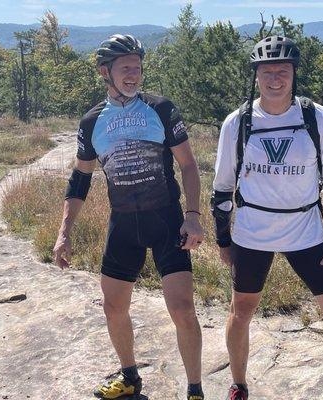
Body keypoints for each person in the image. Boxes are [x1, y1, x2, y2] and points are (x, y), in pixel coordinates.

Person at [211, 36, 323, 400]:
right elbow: (222, 189)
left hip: (307, 232)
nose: (275, 78)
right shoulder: (237, 122)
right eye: (267, 71)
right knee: (241, 311)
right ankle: (238, 384)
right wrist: (223, 241)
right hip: (252, 235)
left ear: (294, 74)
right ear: (255, 76)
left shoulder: (316, 117)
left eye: (283, 71)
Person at [53, 34, 205, 400]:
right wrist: (64, 232)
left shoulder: (161, 108)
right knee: (113, 307)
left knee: (182, 308)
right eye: (126, 68)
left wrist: (193, 216)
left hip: (167, 221)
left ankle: (195, 390)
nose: (134, 74)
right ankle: (130, 376)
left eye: (137, 67)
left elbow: (188, 165)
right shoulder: (92, 122)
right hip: (123, 223)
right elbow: (81, 178)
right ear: (106, 72)